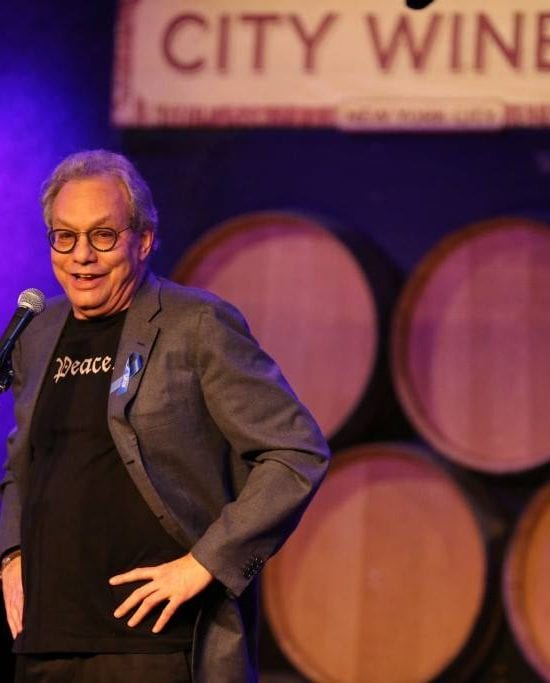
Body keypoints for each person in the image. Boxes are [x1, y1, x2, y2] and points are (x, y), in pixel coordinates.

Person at [0, 150, 330, 682]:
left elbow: (296, 452)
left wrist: (206, 562)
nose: (81, 255)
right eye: (65, 236)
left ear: (144, 240)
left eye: (102, 236)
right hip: (46, 640)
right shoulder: (35, 332)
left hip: (156, 643)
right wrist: (11, 553)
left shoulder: (195, 324)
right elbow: (23, 463)